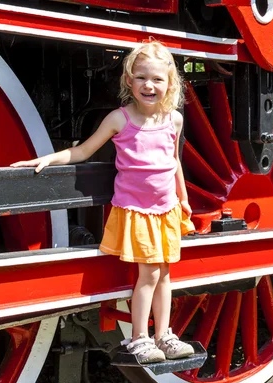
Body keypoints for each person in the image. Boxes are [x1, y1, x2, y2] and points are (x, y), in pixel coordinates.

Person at [11, 41, 195, 364]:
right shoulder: (119, 119)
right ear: (129, 81)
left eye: (156, 79)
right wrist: (48, 159)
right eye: (140, 78)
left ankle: (163, 335)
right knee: (149, 274)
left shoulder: (173, 121)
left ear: (170, 83)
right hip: (138, 213)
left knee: (165, 273)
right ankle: (140, 337)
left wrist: (183, 198)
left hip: (166, 212)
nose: (148, 86)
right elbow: (83, 151)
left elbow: (174, 162)